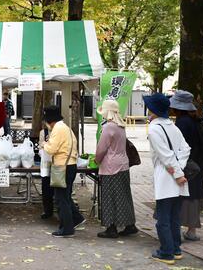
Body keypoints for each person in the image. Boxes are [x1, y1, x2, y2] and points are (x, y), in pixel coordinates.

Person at [143, 93, 190, 265]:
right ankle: (176, 249)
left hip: (167, 177)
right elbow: (185, 149)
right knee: (174, 218)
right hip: (178, 178)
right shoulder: (173, 127)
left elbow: (166, 156)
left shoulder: (155, 129)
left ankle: (166, 252)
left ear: (153, 110)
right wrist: (181, 169)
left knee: (163, 219)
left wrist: (177, 174)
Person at [95, 100, 138, 238]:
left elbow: (102, 148)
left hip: (110, 166)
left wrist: (96, 160)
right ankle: (129, 224)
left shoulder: (108, 127)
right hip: (123, 164)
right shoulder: (121, 126)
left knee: (109, 197)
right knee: (123, 196)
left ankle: (111, 228)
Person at [170, 90, 203, 241]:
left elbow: (179, 145)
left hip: (186, 165)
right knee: (193, 199)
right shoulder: (194, 120)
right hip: (195, 165)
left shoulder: (182, 122)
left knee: (184, 198)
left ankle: (177, 231)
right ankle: (191, 231)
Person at [43, 105, 85, 238]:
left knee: (61, 199)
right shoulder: (65, 127)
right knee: (65, 196)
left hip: (62, 167)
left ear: (50, 120)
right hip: (70, 165)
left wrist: (44, 144)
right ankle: (77, 218)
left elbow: (51, 149)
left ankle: (67, 229)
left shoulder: (58, 129)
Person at [39, 124, 54, 219]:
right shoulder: (43, 132)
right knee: (45, 188)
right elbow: (41, 146)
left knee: (57, 188)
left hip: (58, 165)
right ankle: (47, 210)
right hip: (46, 164)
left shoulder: (60, 131)